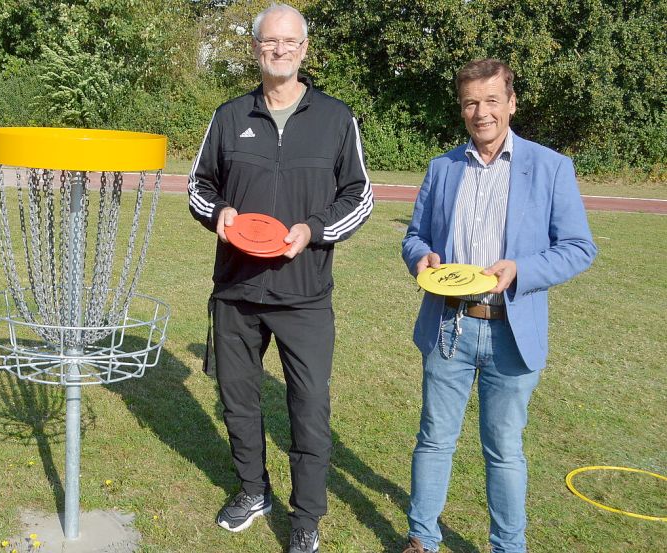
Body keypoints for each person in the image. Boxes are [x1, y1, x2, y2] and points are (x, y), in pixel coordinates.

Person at [188, 4, 373, 552]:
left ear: (304, 49)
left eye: (290, 41)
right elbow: (202, 185)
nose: (280, 50)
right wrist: (216, 213)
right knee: (238, 400)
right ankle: (252, 490)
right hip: (238, 290)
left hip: (304, 296)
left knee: (309, 409)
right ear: (256, 48)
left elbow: (358, 197)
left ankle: (307, 518)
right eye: (270, 41)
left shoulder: (336, 119)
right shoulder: (228, 116)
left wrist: (313, 230)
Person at [400, 58, 597, 553]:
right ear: (461, 108)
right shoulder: (442, 167)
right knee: (434, 439)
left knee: (504, 450)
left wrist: (522, 271)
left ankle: (508, 547)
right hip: (450, 326)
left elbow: (578, 247)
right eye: (470, 102)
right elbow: (414, 236)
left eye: (491, 100)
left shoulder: (551, 167)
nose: (481, 112)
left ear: (511, 103)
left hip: (512, 329)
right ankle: (422, 538)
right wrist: (420, 257)